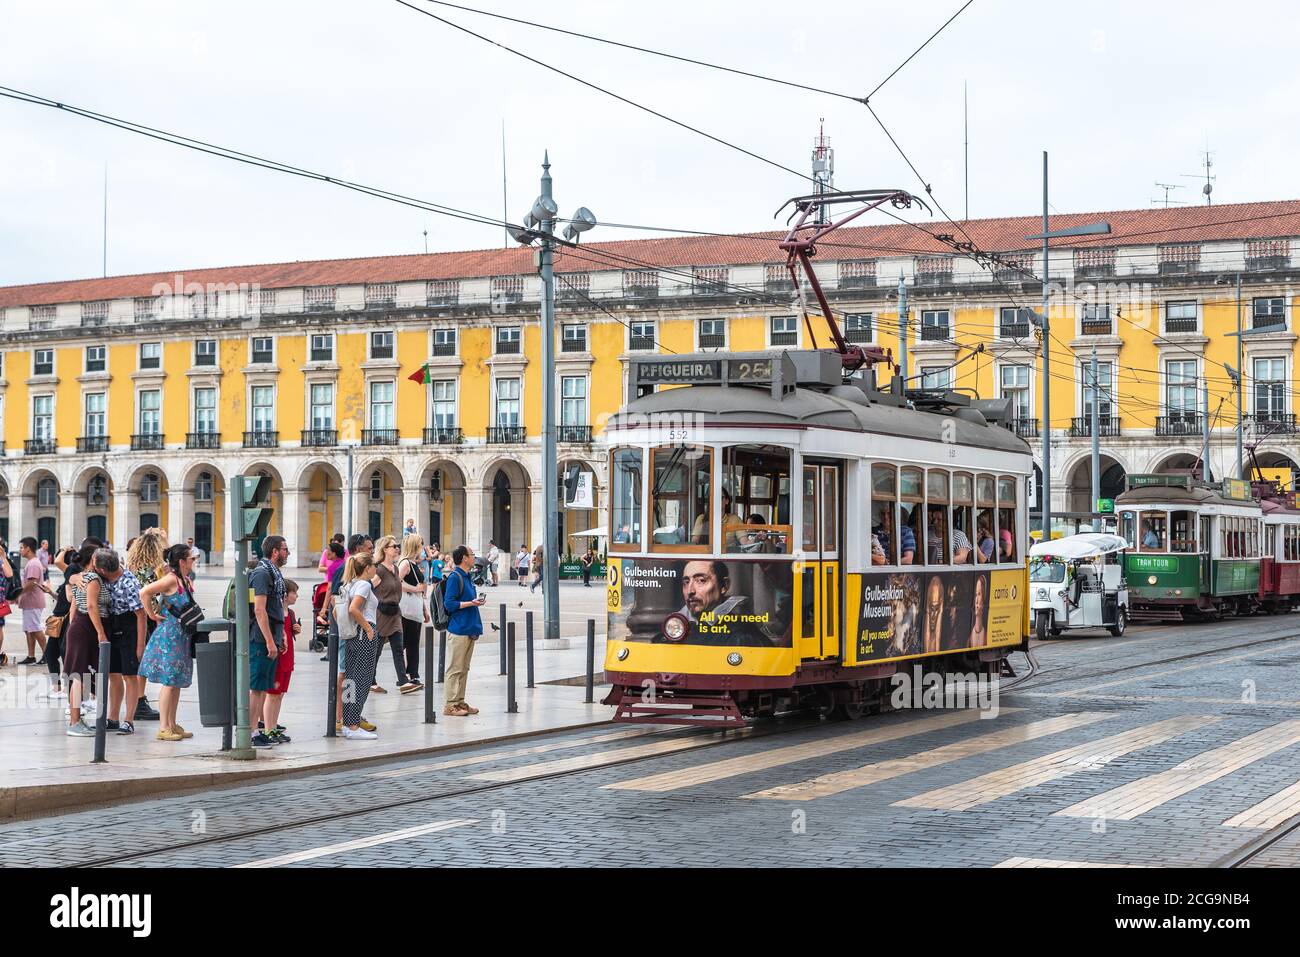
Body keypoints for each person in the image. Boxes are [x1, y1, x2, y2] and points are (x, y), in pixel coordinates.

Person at [139, 545, 198, 741]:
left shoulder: (184, 580)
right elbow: (144, 592)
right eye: (191, 559)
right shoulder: (171, 579)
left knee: (177, 682)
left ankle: (172, 723)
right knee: (169, 682)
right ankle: (164, 727)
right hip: (169, 637)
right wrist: (152, 615)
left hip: (181, 636)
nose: (193, 562)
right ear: (181, 561)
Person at [62, 546, 113, 737]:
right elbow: (91, 606)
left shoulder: (82, 577)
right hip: (86, 627)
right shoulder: (91, 579)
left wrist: (72, 627)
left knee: (79, 674)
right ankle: (74, 722)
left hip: (81, 626)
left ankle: (76, 720)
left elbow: (74, 604)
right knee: (78, 674)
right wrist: (100, 633)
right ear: (93, 559)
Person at [97, 548, 146, 735]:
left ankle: (129, 720)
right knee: (114, 674)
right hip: (113, 627)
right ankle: (113, 718)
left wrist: (140, 645)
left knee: (129, 676)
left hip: (129, 629)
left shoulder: (128, 582)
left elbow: (140, 615)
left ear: (102, 569)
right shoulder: (104, 578)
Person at [248, 535, 290, 748]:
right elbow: (259, 609)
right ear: (275, 551)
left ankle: (256, 730)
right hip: (259, 638)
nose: (287, 553)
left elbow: (276, 609)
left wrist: (280, 634)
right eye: (284, 549)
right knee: (256, 687)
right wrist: (269, 641)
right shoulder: (262, 574)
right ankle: (250, 733)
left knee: (263, 687)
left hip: (271, 635)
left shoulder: (274, 573)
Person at [125, 529, 167, 723]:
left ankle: (137, 700)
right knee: (143, 660)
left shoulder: (131, 565)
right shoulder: (157, 568)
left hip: (130, 616)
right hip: (149, 617)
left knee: (137, 659)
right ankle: (139, 701)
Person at [340, 553, 382, 739]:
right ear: (367, 568)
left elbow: (338, 609)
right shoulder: (364, 585)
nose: (375, 569)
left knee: (351, 679)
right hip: (364, 633)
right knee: (362, 679)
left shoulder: (350, 583)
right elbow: (353, 609)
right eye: (374, 565)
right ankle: (353, 724)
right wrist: (368, 628)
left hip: (352, 635)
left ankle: (348, 722)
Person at [443, 545, 486, 717]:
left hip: (469, 627)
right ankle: (450, 704)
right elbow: (449, 604)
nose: (474, 557)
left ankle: (460, 701)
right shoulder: (455, 577)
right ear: (463, 558)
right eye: (472, 555)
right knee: (455, 668)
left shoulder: (467, 576)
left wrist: (475, 602)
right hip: (459, 628)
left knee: (464, 668)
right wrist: (471, 603)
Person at [372, 535, 417, 694]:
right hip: (382, 614)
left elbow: (398, 587)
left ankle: (403, 682)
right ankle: (371, 680)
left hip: (395, 612)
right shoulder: (379, 570)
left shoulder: (396, 568)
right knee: (375, 650)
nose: (397, 548)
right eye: (394, 546)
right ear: (385, 549)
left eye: (398, 546)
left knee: (398, 647)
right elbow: (368, 589)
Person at [261, 579, 298, 745]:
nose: (296, 596)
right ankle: (268, 729)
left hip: (288, 658)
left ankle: (273, 727)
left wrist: (295, 628)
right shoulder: (274, 613)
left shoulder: (290, 613)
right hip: (278, 658)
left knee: (280, 695)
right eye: (294, 593)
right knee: (272, 694)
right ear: (284, 595)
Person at [44, 547, 77, 698]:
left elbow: (57, 561)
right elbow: (62, 598)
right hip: (58, 619)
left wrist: (65, 549)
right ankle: (56, 687)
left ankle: (66, 688)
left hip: (66, 620)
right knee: (50, 653)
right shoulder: (68, 576)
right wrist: (50, 593)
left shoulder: (73, 571)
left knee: (65, 654)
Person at [398, 534, 430, 690]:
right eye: (420, 545)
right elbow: (396, 582)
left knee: (413, 642)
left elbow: (420, 589)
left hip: (415, 608)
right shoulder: (405, 563)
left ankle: (410, 673)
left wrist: (425, 609)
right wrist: (415, 589)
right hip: (407, 610)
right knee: (409, 643)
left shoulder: (413, 563)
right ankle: (411, 675)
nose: (422, 548)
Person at [17, 537, 54, 665]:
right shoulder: (32, 562)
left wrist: (18, 593)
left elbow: (31, 583)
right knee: (29, 629)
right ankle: (31, 655)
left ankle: (47, 655)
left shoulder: (33, 563)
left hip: (32, 601)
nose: (20, 550)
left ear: (28, 548)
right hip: (29, 602)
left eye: (21, 547)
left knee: (35, 629)